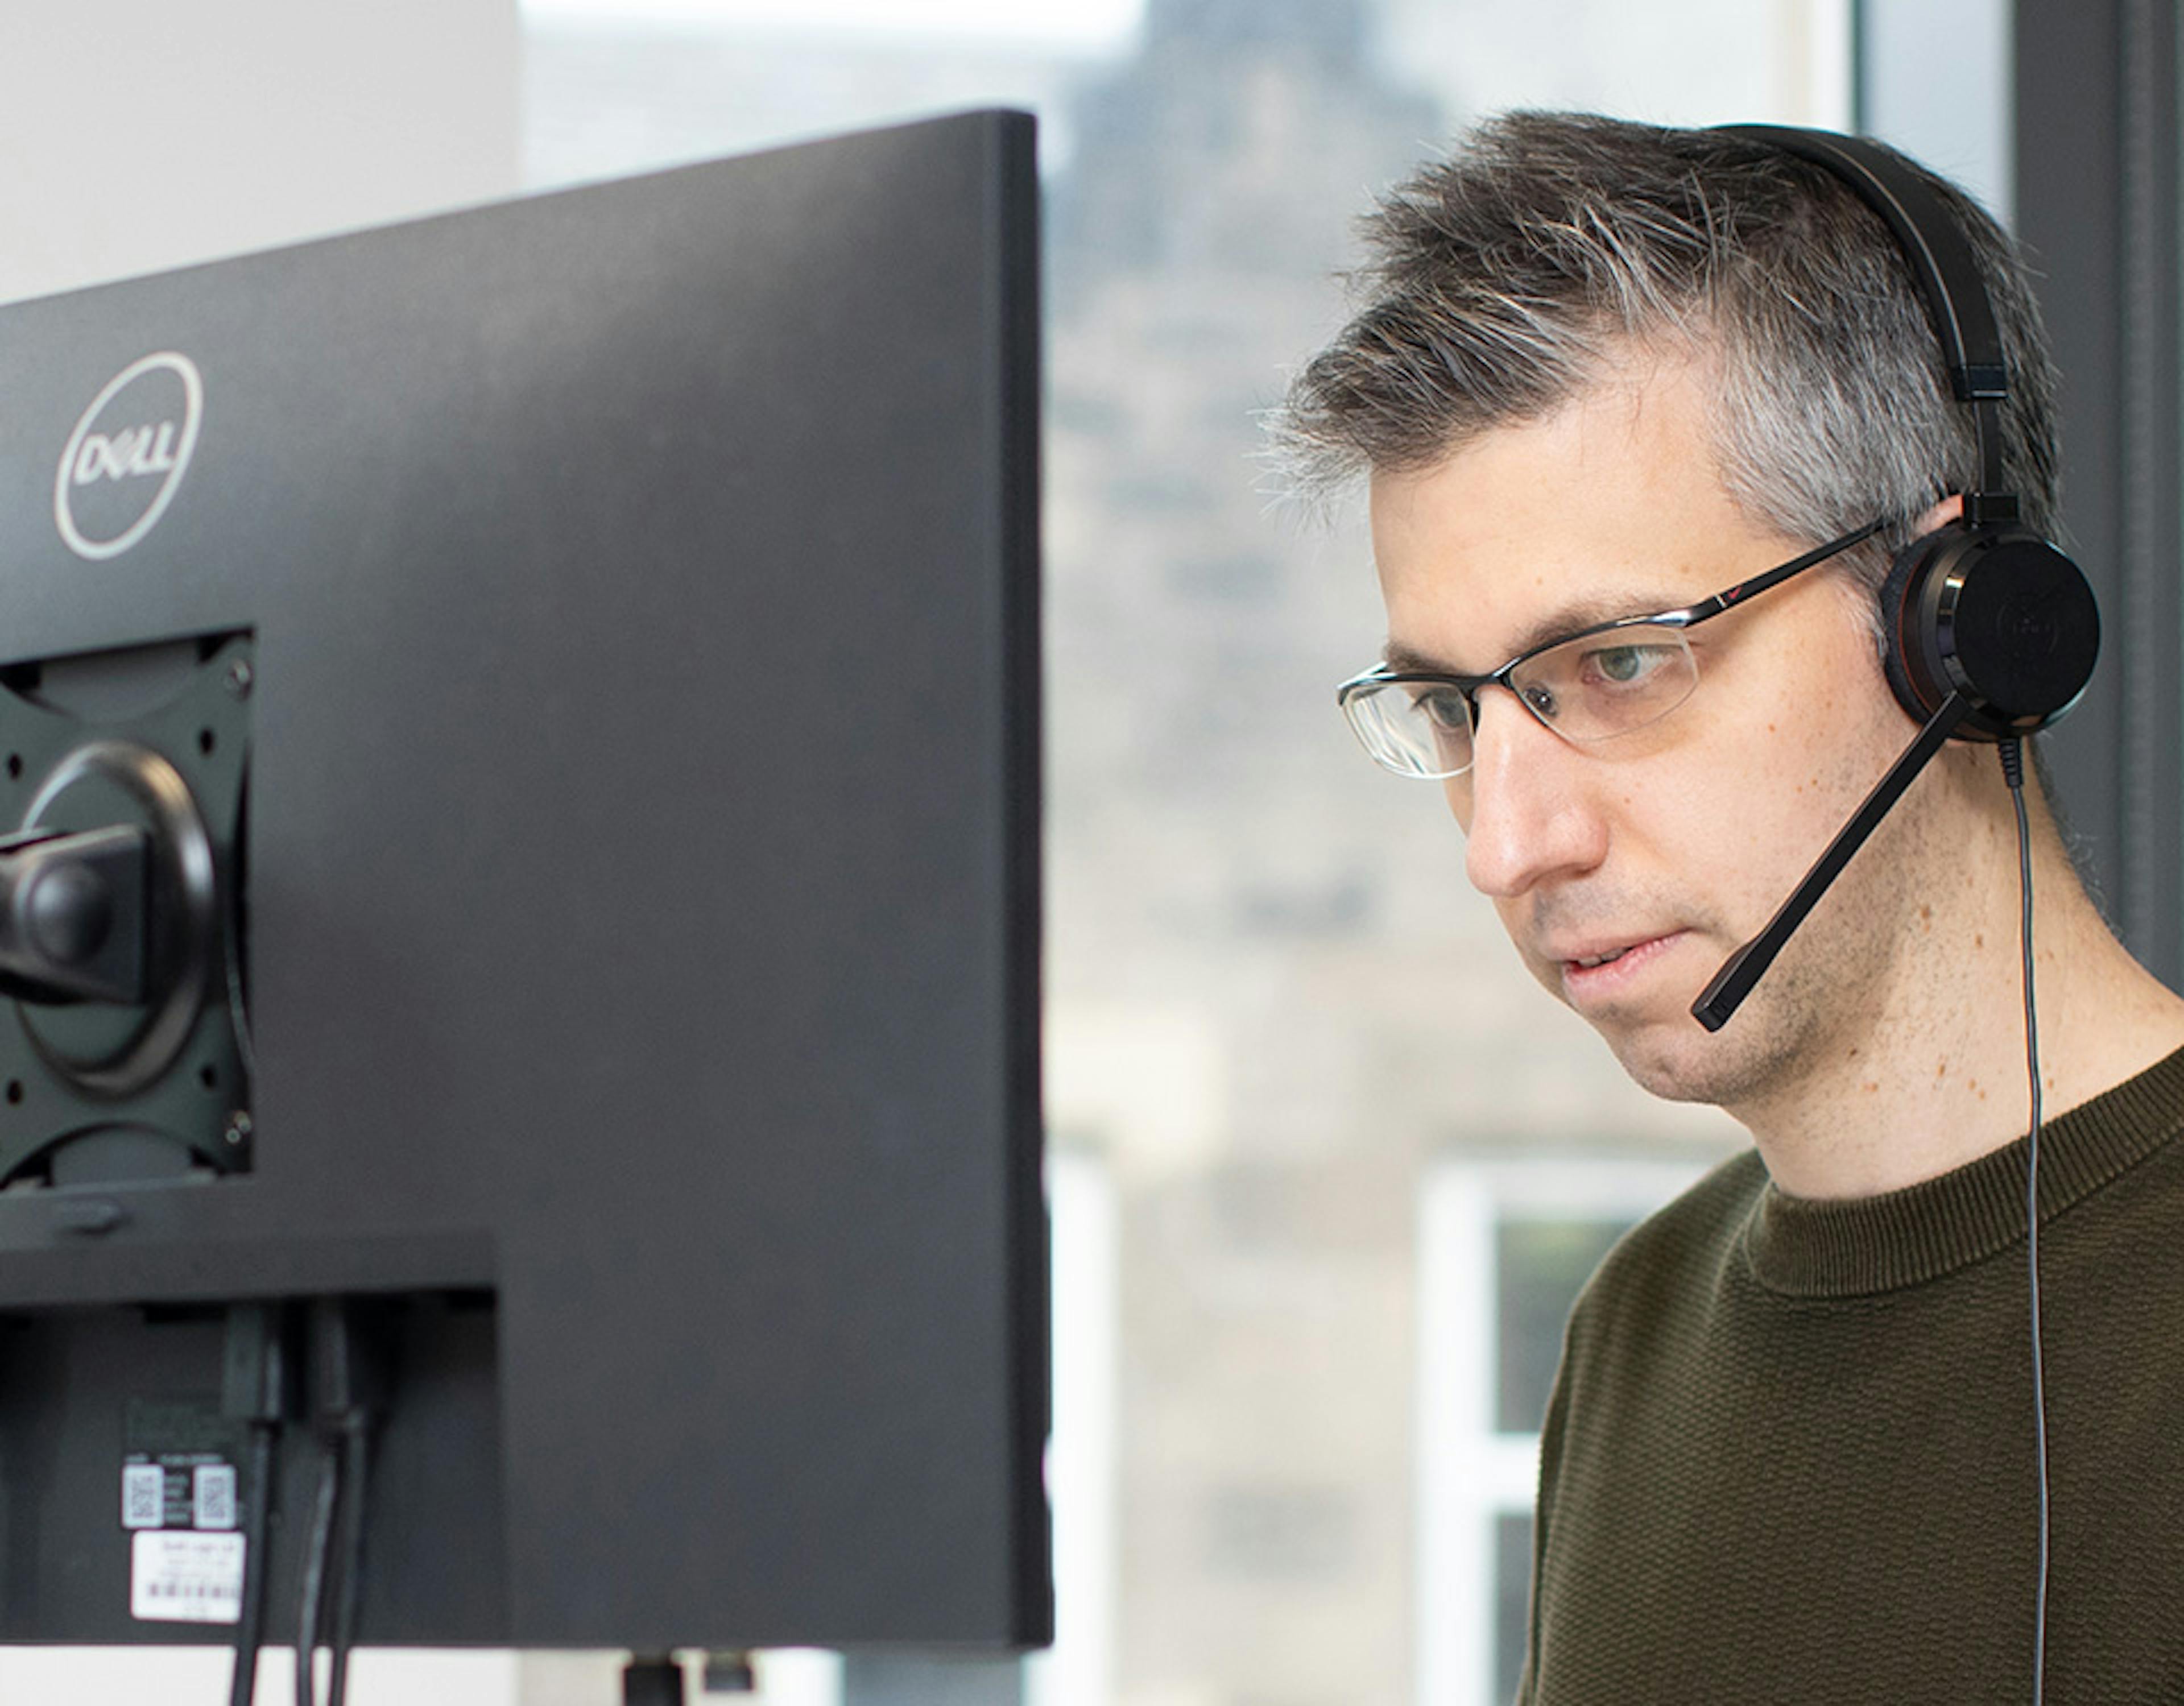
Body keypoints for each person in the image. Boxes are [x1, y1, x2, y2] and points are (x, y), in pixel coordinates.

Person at [1274, 113, 2184, 1701]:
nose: (1508, 845)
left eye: (1617, 665)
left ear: (1958, 629)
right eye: (1457, 709)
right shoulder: (1634, 1340)